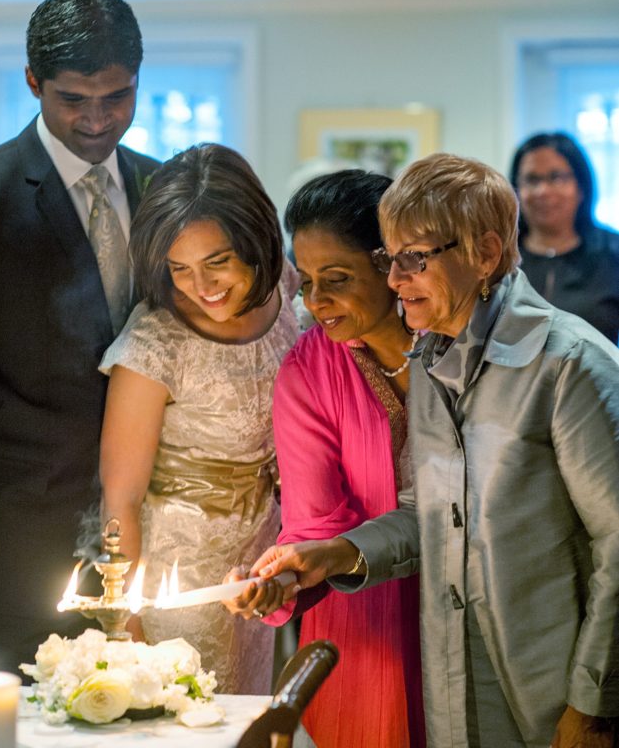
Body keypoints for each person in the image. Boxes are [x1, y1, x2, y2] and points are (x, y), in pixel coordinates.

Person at [253, 152, 619, 748]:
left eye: (413, 260)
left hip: (552, 683)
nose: (396, 281)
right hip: (460, 678)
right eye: (390, 260)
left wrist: (594, 702)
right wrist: (334, 554)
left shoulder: (569, 364)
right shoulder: (434, 359)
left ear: (485, 253)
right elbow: (433, 513)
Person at [0, 0, 160, 674]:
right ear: (34, 82)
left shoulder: (161, 188)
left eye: (117, 97)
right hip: (12, 544)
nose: (97, 120)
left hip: (142, 536)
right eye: (73, 99)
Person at [224, 170, 425, 747]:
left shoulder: (454, 346)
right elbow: (314, 524)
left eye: (336, 279)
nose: (315, 301)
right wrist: (281, 576)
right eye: (307, 281)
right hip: (365, 624)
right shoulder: (309, 368)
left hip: (471, 604)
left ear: (392, 266)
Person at [98, 143, 300, 694]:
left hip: (263, 553)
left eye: (217, 262)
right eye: (180, 269)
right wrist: (125, 627)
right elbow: (121, 498)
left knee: (250, 708)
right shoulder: (155, 342)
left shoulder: (287, 289)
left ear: (255, 240)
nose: (202, 287)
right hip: (179, 568)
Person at [510, 131, 619, 343]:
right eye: (531, 179)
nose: (543, 191)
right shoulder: (499, 258)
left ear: (581, 187)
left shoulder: (613, 251)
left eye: (557, 177)